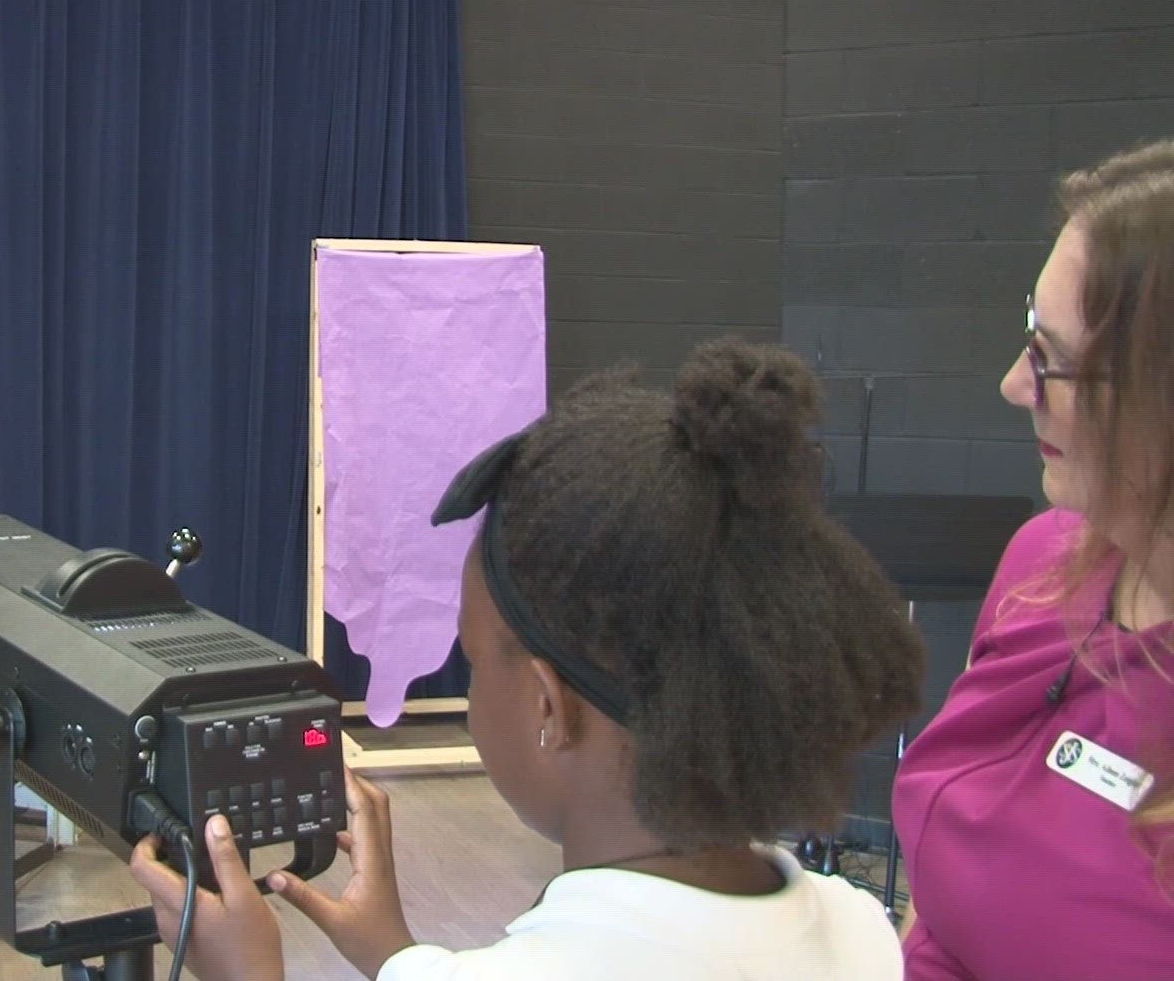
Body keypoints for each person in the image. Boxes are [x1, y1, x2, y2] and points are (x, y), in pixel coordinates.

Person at [131, 338, 925, 980]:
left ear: (549, 706)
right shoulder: (860, 933)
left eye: (475, 664)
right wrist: (397, 956)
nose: (473, 694)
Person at [890, 140, 1174, 980]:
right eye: (1028, 334)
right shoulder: (1044, 564)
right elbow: (943, 898)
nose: (1016, 384)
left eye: (1051, 359)